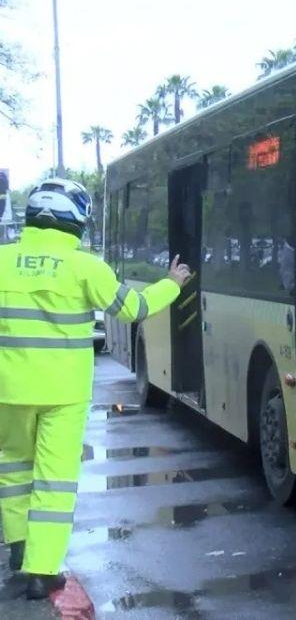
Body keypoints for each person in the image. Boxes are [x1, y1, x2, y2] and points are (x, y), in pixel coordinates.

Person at [0, 179, 189, 599]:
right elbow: (134, 308)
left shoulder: (2, 260)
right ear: (76, 219)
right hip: (61, 394)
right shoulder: (84, 266)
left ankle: (18, 548)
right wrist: (172, 283)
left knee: (13, 468)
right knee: (54, 478)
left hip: (7, 390)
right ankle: (42, 570)